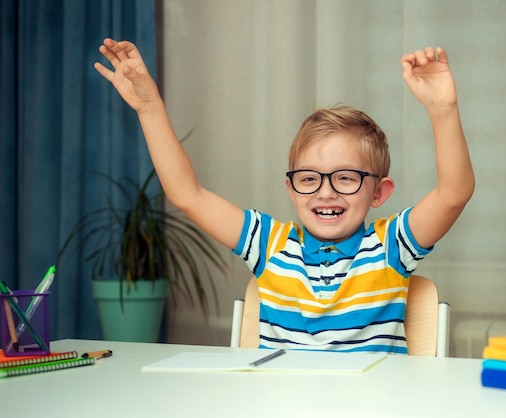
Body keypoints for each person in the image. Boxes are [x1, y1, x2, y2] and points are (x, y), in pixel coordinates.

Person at [95, 38, 474, 354]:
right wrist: (148, 107)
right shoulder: (269, 244)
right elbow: (187, 194)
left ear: (379, 192)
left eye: (346, 177)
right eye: (309, 179)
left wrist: (444, 110)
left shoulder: (391, 245)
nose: (326, 192)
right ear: (291, 188)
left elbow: (454, 194)